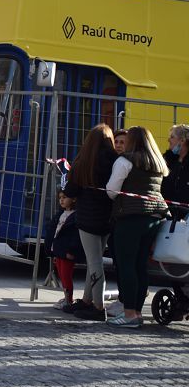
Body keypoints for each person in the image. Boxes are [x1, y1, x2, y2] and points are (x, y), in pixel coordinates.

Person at [105, 125, 170, 328]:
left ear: (132, 141)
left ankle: (129, 313)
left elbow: (111, 191)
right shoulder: (157, 162)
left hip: (130, 217)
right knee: (141, 266)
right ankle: (138, 312)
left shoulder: (125, 161)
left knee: (126, 266)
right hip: (154, 217)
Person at [64, 124, 118, 321]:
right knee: (94, 260)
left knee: (94, 262)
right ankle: (87, 301)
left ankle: (98, 307)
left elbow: (70, 192)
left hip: (87, 218)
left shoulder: (84, 162)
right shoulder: (115, 161)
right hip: (107, 218)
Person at [45, 188, 84, 311]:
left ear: (73, 199)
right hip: (58, 249)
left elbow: (75, 236)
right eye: (60, 198)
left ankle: (69, 299)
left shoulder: (75, 216)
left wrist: (72, 250)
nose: (61, 200)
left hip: (66, 251)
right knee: (61, 274)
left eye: (64, 198)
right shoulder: (61, 214)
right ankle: (66, 297)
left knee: (66, 275)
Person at [160, 124, 189, 220]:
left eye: (172, 137)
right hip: (167, 214)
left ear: (182, 140)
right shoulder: (167, 161)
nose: (168, 140)